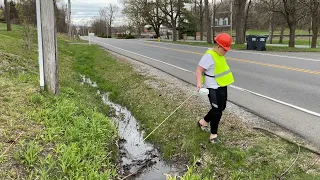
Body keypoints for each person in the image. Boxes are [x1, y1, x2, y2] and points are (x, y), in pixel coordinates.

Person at [195, 33, 234, 143]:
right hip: (213, 87)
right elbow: (199, 70)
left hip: (222, 85)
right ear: (218, 46)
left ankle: (203, 121)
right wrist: (199, 83)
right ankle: (213, 135)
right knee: (217, 111)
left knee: (221, 108)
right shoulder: (209, 56)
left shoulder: (219, 55)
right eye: (224, 49)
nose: (226, 51)